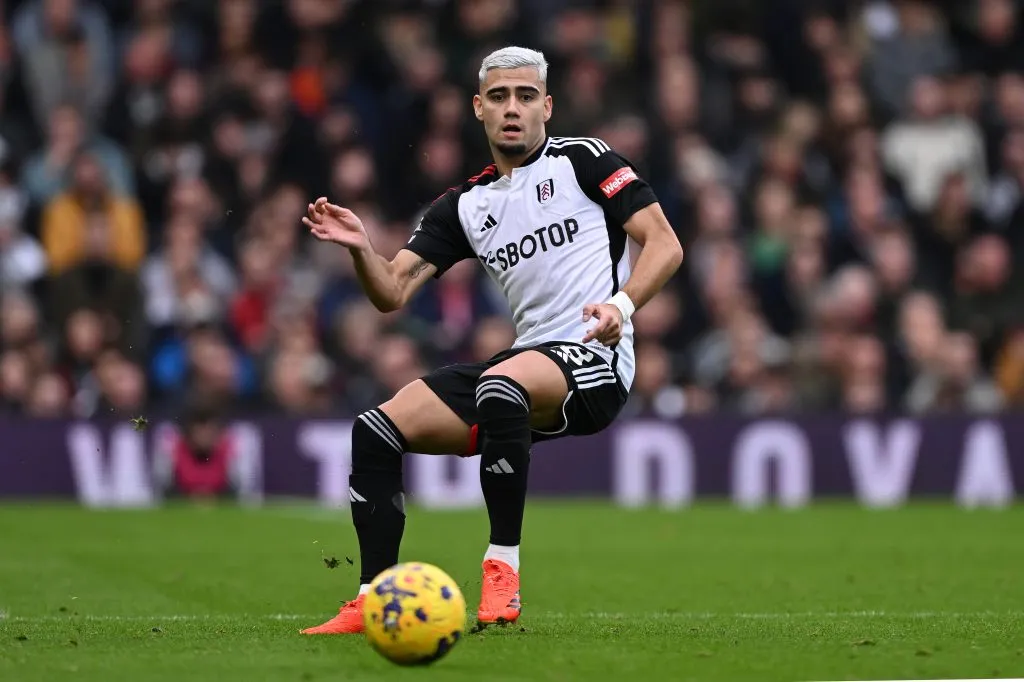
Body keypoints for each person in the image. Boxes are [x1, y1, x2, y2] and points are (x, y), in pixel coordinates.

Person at [300, 46, 683, 635]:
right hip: (528, 363)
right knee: (374, 431)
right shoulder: (465, 205)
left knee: (502, 386)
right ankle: (372, 599)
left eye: (527, 96)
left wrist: (621, 306)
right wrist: (360, 248)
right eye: (500, 96)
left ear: (547, 107)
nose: (513, 108)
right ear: (478, 108)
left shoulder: (584, 162)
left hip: (595, 358)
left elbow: (664, 244)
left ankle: (502, 566)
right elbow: (391, 292)